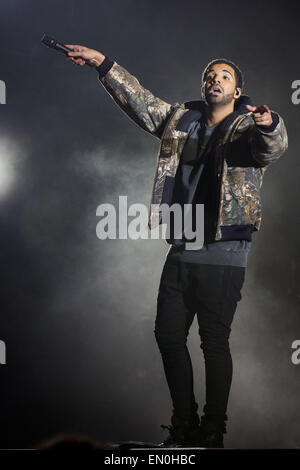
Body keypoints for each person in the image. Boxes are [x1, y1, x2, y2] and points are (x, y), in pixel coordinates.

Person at [65, 45, 288, 448]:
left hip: (225, 247)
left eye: (224, 76)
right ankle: (183, 424)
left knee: (213, 340)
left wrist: (270, 123)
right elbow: (141, 102)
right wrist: (102, 63)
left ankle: (213, 428)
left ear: (236, 91)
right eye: (210, 74)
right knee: (168, 336)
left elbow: (273, 147)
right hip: (183, 242)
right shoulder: (179, 120)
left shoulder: (249, 129)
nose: (215, 79)